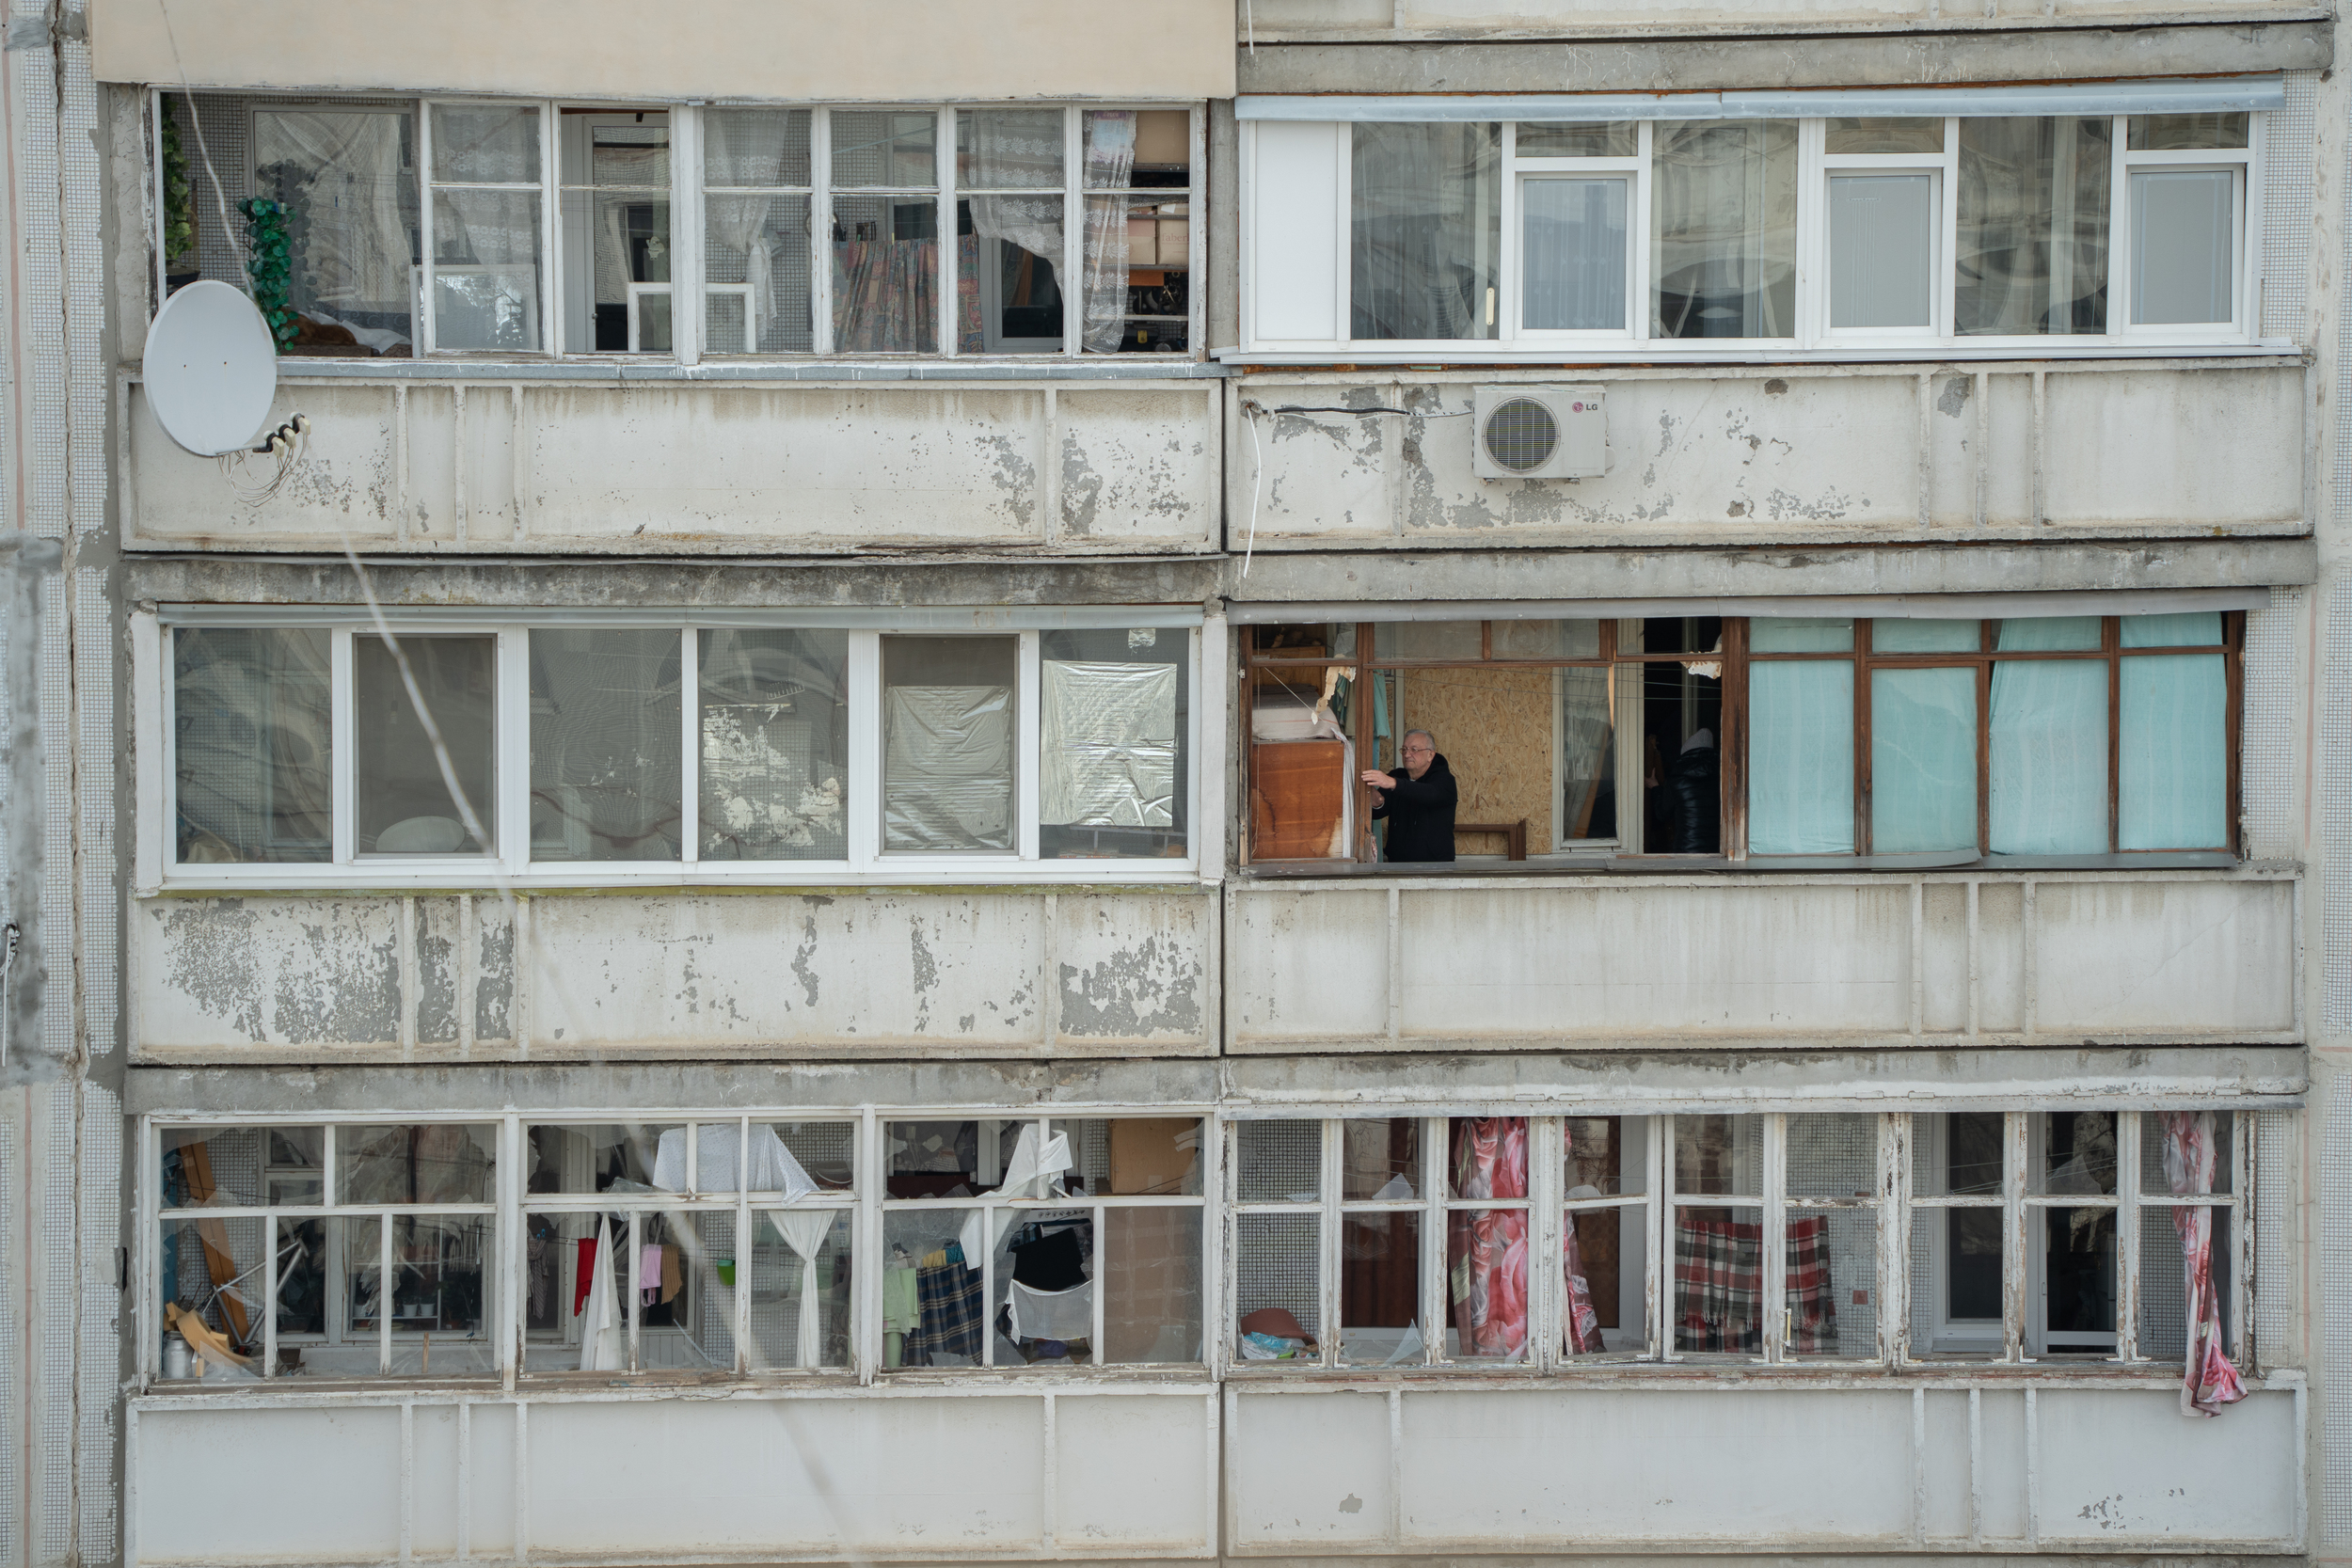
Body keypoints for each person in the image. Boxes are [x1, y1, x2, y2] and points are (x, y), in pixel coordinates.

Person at [1361, 728, 1457, 863]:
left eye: (1414, 750)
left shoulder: (1444, 780)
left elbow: (1428, 794)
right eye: (1404, 749)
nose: (1407, 755)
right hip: (1397, 864)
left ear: (1430, 755)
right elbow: (1378, 813)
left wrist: (1394, 783)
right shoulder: (1397, 776)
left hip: (1436, 866)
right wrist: (1378, 802)